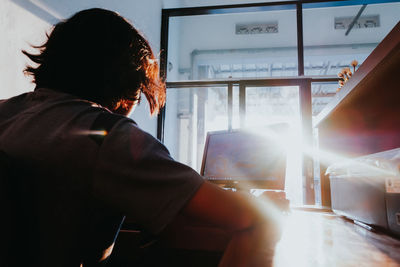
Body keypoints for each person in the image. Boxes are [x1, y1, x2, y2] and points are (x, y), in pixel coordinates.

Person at [0, 8, 281, 267]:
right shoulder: (108, 135)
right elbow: (248, 217)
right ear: (129, 84)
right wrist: (269, 204)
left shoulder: (6, 111)